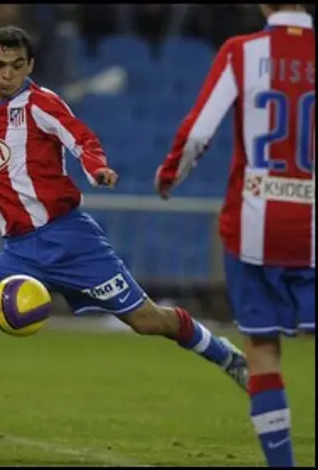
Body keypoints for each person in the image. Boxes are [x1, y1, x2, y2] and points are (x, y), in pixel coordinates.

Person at [0, 25, 249, 448]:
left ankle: (226, 355)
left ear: (29, 66)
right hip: (20, 252)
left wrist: (96, 167)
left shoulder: (41, 104)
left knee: (147, 321)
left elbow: (80, 137)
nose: (7, 75)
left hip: (71, 242)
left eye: (16, 66)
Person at [155, 4, 314, 467]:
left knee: (263, 351)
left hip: (254, 226)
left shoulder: (241, 53)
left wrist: (170, 176)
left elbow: (200, 131)